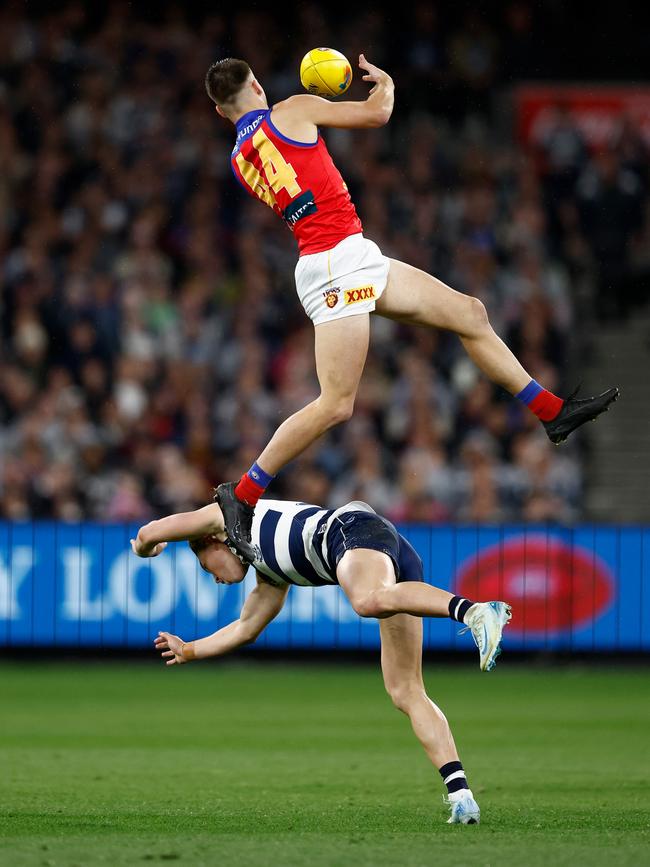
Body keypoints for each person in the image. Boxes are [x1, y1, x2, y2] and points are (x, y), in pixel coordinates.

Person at [204, 55, 619, 562]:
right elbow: (377, 114)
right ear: (257, 85)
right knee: (336, 404)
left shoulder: (239, 157)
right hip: (336, 262)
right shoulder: (292, 108)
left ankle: (551, 411)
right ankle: (243, 493)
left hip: (346, 254)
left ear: (222, 111)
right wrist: (386, 83)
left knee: (470, 313)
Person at [131, 493, 513, 825]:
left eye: (204, 565)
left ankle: (475, 612)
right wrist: (189, 649)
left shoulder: (227, 515)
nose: (211, 577)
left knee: (367, 601)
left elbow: (149, 533)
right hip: (381, 546)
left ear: (215, 540)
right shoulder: (269, 577)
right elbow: (245, 630)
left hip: (350, 530)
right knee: (405, 690)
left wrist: (147, 548)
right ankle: (462, 796)